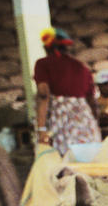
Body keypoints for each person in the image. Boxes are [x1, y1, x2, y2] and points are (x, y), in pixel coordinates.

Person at [33, 26, 101, 155]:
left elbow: (43, 95)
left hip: (60, 121)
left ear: (47, 47)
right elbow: (92, 101)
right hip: (85, 121)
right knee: (88, 163)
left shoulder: (43, 64)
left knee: (63, 165)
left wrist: (41, 129)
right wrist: (95, 125)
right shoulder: (82, 67)